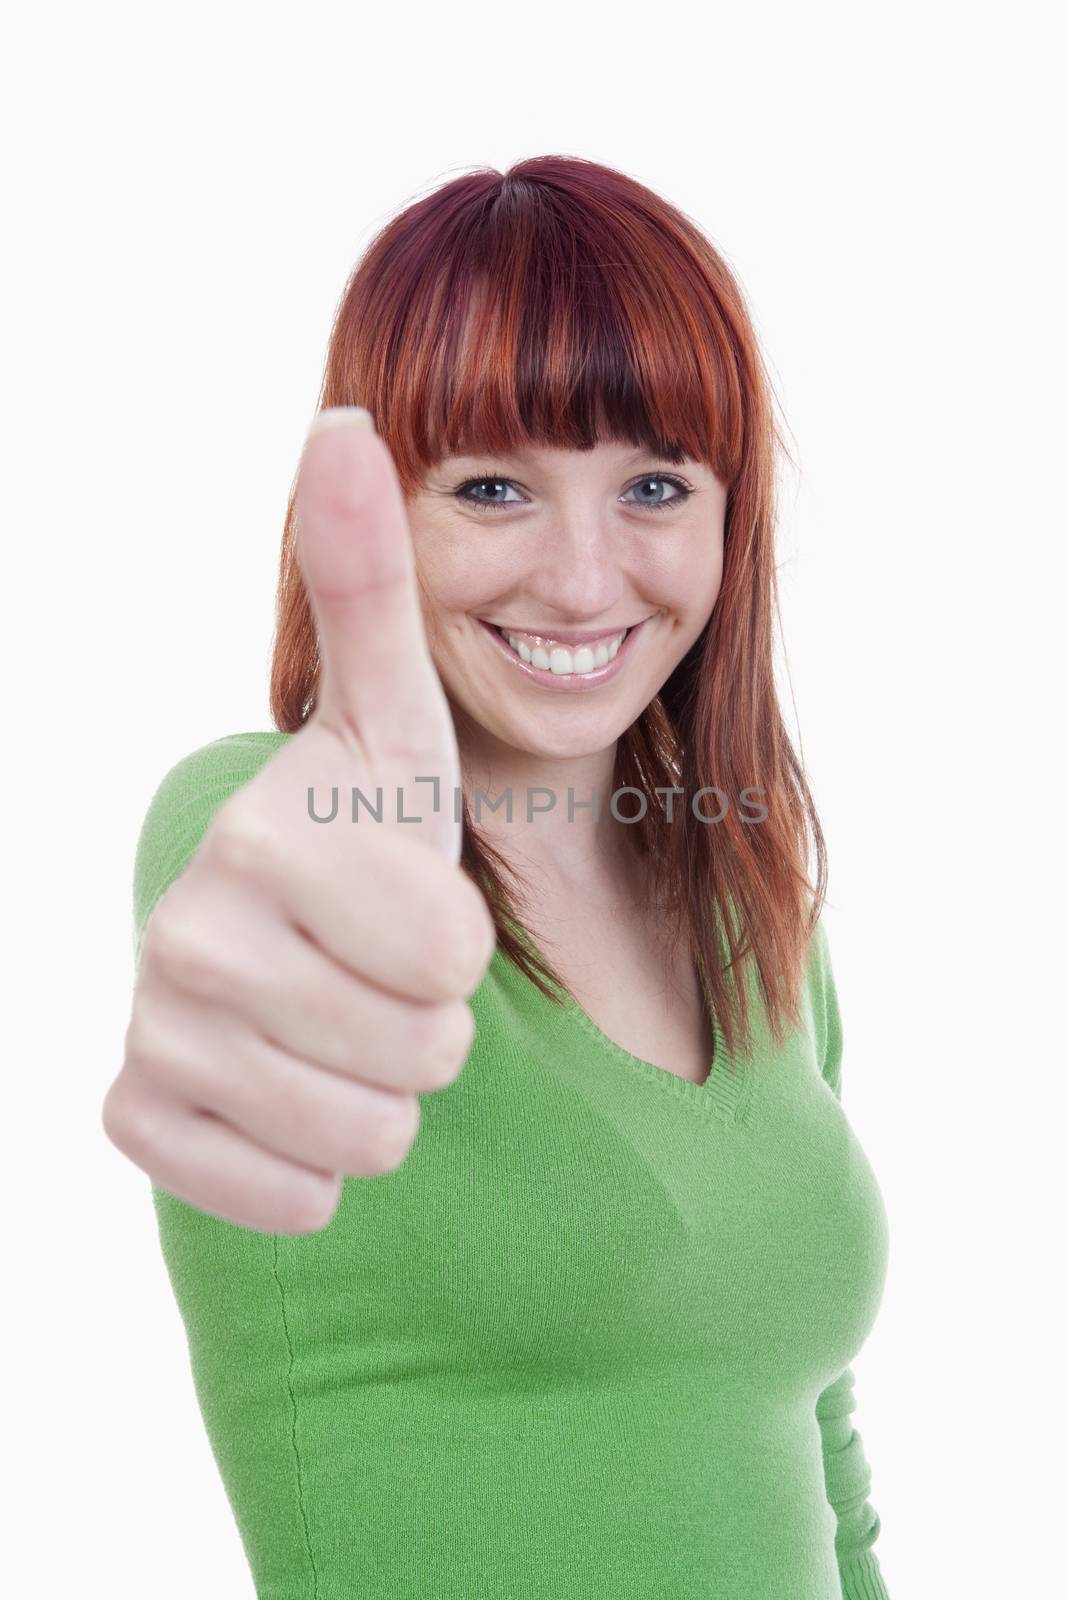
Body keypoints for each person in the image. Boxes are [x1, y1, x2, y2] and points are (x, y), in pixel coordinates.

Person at [102, 155, 893, 1599]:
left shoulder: (756, 910)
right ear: (381, 516)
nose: (586, 582)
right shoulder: (273, 818)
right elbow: (246, 896)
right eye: (491, 489)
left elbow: (820, 1453)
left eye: (654, 484)